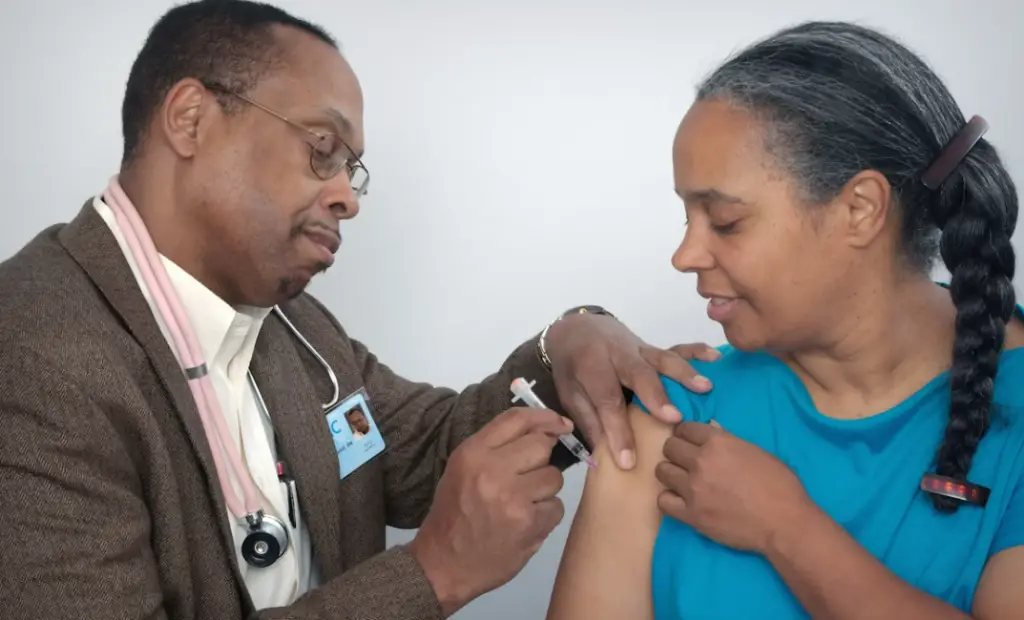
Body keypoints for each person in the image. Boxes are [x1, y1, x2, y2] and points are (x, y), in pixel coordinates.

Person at [0, 2, 720, 619]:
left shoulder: (292, 328)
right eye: (323, 150)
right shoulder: (31, 355)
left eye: (352, 168)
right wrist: (431, 576)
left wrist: (566, 345)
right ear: (190, 120)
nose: (348, 196)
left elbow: (426, 453)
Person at [546, 20, 1024, 620]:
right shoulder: (675, 411)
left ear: (861, 209)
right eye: (686, 217)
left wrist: (787, 529)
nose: (684, 256)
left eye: (724, 220)